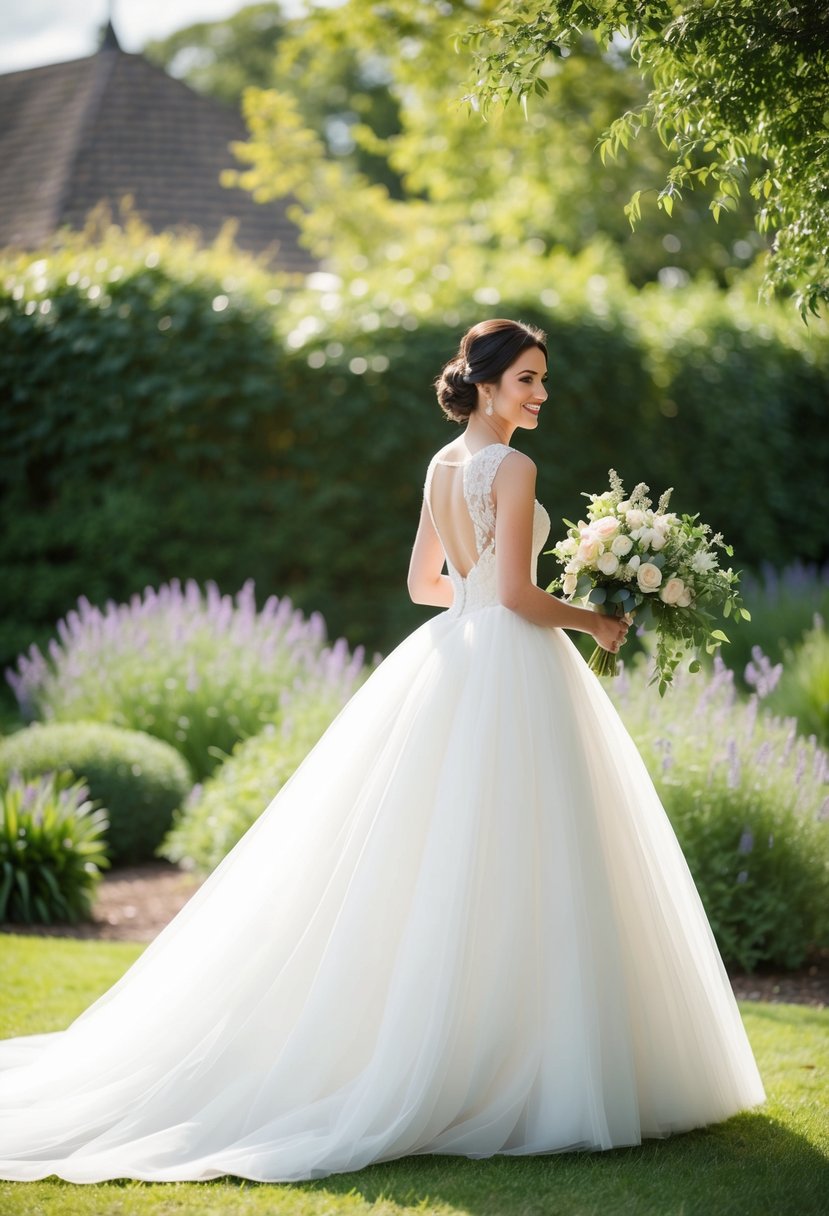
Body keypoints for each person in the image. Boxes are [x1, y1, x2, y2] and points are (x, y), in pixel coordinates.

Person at [0, 318, 765, 1184]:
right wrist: (593, 617)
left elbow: (422, 584)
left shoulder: (441, 466)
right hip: (508, 663)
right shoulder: (511, 468)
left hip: (456, 656)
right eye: (525, 380)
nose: (540, 395)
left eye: (542, 380)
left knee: (450, 857)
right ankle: (518, 1061)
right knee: (527, 854)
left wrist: (476, 607)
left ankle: (471, 1048)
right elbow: (515, 591)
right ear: (484, 384)